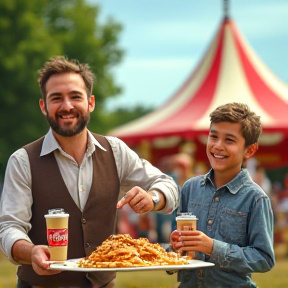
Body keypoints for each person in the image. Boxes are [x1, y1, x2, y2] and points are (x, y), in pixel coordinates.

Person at [0, 56, 178, 288]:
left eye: (75, 96)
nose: (67, 106)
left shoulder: (115, 151)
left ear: (90, 102)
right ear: (44, 106)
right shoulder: (23, 161)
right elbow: (9, 228)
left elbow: (169, 185)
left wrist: (153, 198)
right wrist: (30, 251)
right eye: (56, 98)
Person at [170, 102, 275, 287]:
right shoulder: (190, 188)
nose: (218, 146)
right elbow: (179, 253)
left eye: (229, 140)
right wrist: (173, 249)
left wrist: (213, 248)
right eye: (214, 136)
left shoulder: (255, 198)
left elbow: (264, 258)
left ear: (249, 150)